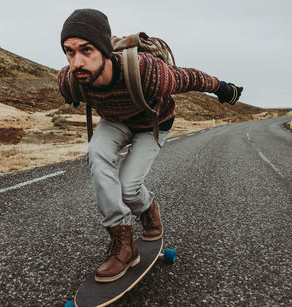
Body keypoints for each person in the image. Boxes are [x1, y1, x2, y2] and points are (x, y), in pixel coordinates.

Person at [57, 8, 243, 282]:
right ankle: (123, 241)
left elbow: (189, 77)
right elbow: (68, 86)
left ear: (105, 49)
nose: (77, 62)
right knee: (96, 153)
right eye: (69, 52)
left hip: (153, 122)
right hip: (116, 120)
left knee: (129, 188)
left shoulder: (145, 71)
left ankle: (148, 210)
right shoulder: (70, 79)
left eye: (86, 50)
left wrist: (222, 87)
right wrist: (72, 96)